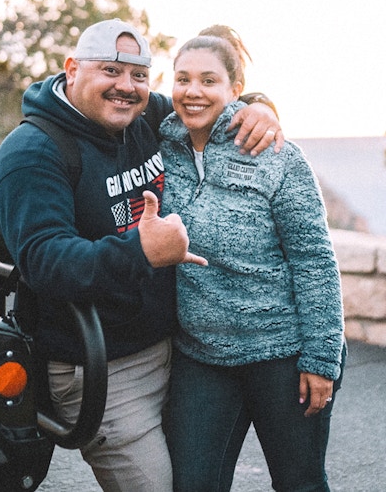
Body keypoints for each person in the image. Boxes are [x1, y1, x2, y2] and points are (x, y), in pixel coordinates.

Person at [0, 19, 282, 492]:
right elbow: (45, 263)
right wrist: (142, 251)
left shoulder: (145, 119)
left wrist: (258, 107)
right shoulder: (32, 152)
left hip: (176, 349)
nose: (126, 87)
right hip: (102, 366)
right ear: (72, 69)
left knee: (198, 481)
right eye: (110, 70)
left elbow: (206, 105)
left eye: (138, 75)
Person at [160, 29, 345, 492]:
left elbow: (313, 258)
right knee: (192, 485)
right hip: (201, 357)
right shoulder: (159, 146)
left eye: (208, 80)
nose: (193, 91)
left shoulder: (275, 154)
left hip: (282, 355)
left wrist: (321, 359)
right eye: (182, 79)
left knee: (300, 483)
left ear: (234, 89)